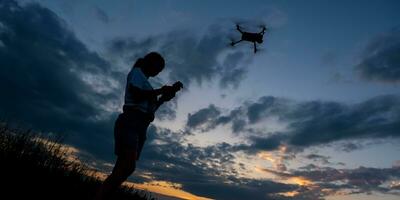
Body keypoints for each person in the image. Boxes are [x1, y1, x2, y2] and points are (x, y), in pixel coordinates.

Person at [95, 52, 180, 200]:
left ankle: (102, 196)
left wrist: (163, 99)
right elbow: (135, 93)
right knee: (128, 167)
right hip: (131, 122)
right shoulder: (137, 73)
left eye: (160, 69)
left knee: (121, 169)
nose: (158, 71)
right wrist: (160, 91)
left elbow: (149, 110)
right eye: (158, 67)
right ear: (150, 63)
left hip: (140, 127)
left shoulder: (146, 84)